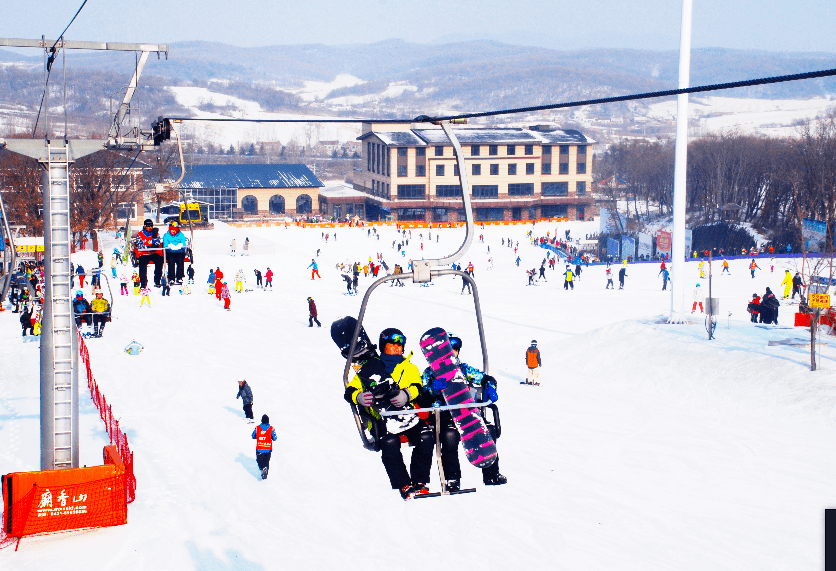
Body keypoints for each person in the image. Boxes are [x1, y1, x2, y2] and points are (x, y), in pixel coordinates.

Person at [344, 328, 433, 500]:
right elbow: (350, 391)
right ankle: (403, 484)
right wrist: (359, 397)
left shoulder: (409, 367)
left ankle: (419, 482)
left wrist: (406, 394)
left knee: (426, 436)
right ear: (383, 348)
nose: (396, 350)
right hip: (381, 420)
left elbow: (418, 387)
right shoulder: (370, 368)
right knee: (390, 442)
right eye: (391, 347)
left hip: (408, 416)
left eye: (399, 347)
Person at [418, 334, 506, 489]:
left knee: (489, 430)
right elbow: (422, 396)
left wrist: (490, 385)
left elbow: (484, 378)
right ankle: (452, 479)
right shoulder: (430, 373)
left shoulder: (463, 369)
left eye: (454, 350)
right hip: (444, 414)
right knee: (449, 436)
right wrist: (432, 390)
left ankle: (491, 474)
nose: (452, 354)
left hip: (466, 411)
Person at [134, 219, 164, 288]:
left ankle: (157, 281)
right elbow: (139, 245)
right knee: (142, 263)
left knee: (159, 261)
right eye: (148, 226)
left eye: (151, 226)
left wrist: (154, 238)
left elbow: (157, 243)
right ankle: (143, 283)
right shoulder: (140, 234)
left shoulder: (155, 233)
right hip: (144, 253)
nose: (150, 227)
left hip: (153, 252)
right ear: (145, 226)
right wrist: (149, 246)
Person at [252, 414, 277, 480]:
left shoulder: (257, 428)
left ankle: (262, 468)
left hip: (260, 448)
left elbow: (253, 436)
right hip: (268, 449)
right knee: (266, 461)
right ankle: (265, 470)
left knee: (259, 461)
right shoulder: (271, 428)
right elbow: (275, 438)